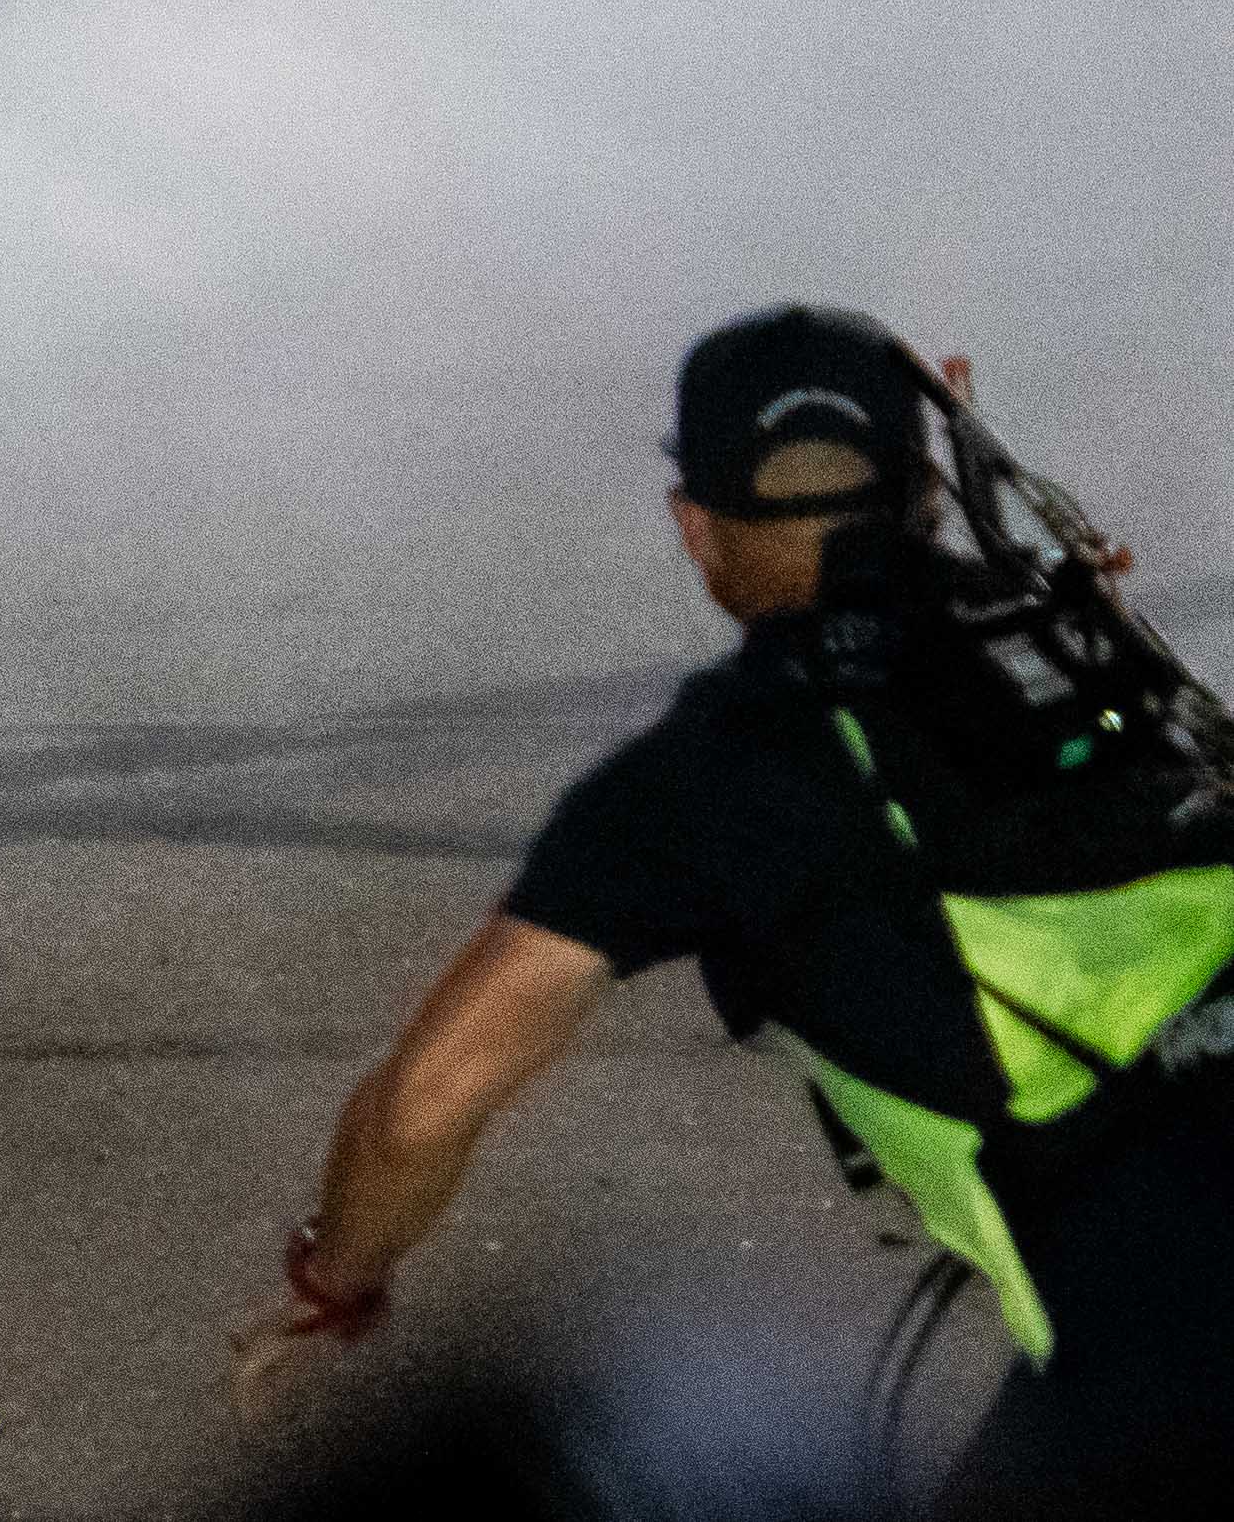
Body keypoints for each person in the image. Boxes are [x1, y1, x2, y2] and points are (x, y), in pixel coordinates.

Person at [228, 308, 1234, 1509]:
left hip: (1176, 1351)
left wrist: (333, 1284)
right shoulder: (1081, 649)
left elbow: (424, 1102)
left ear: (694, 527)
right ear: (924, 493)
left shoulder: (706, 779)